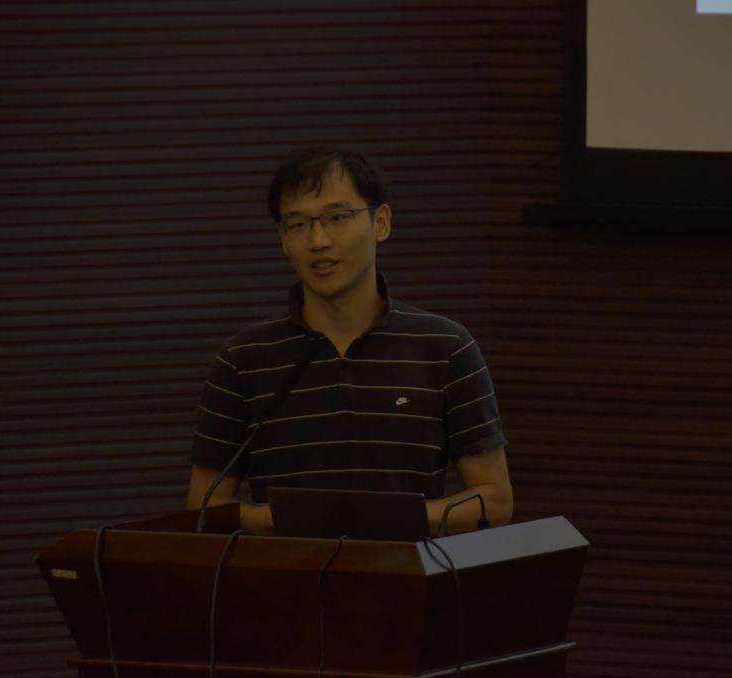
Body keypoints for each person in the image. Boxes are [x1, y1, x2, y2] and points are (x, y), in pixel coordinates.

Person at [186, 145, 512, 535]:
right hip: (286, 571)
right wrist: (297, 519)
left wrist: (381, 519)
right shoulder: (244, 358)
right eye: (298, 224)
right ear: (283, 239)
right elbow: (204, 507)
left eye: (337, 218)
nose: (318, 241)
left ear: (381, 223)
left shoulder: (445, 348)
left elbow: (495, 500)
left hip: (407, 570)